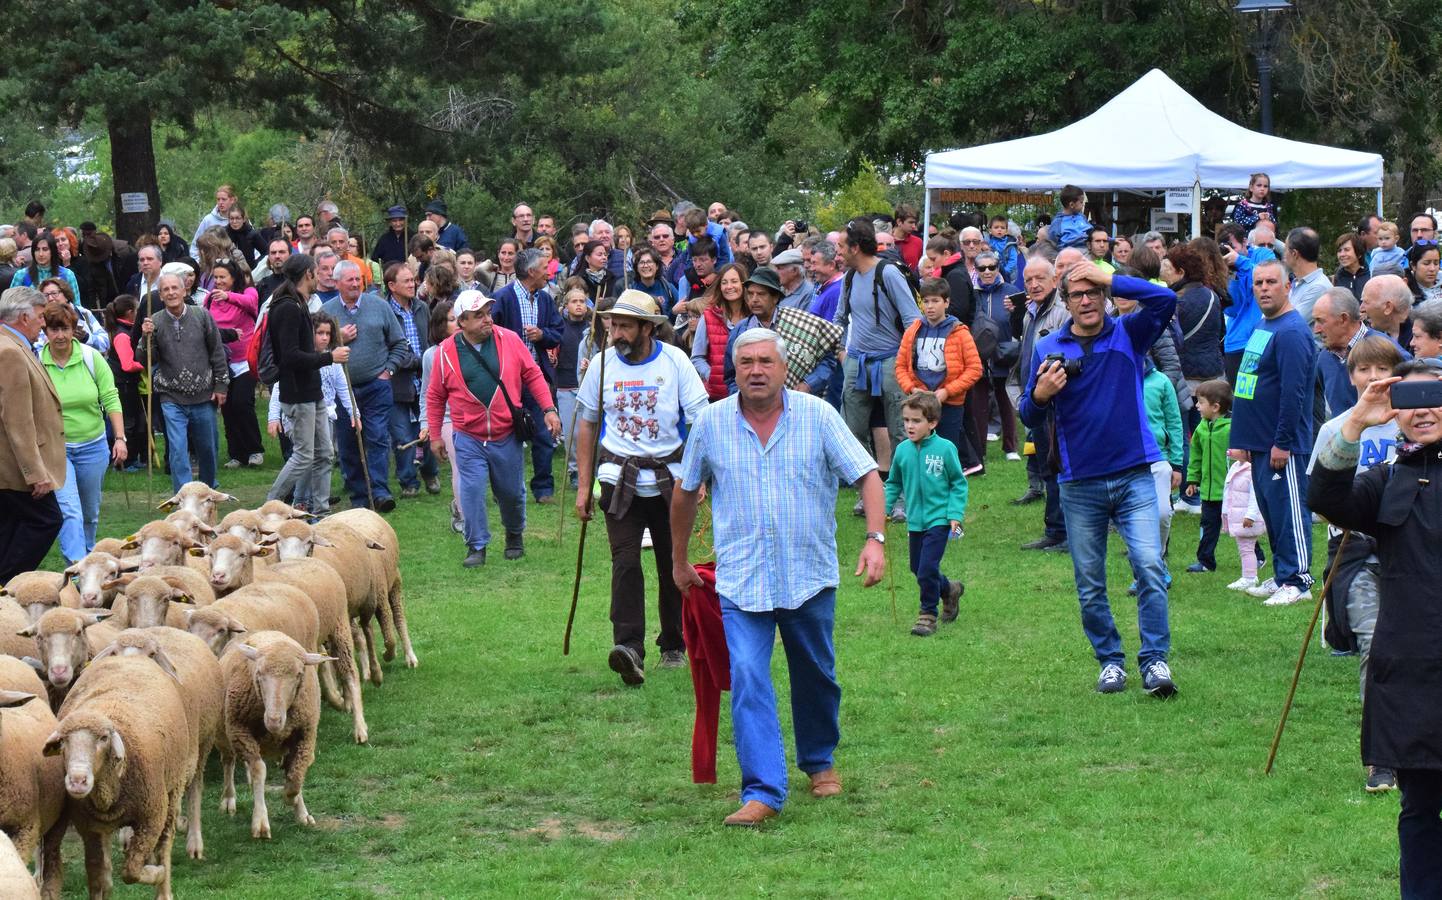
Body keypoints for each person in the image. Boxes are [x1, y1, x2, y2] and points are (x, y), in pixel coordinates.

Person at [671, 328, 886, 827]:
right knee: (747, 676)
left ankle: (818, 760)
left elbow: (867, 475)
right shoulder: (711, 423)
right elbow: (686, 492)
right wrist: (680, 561)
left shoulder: (818, 417)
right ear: (734, 370)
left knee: (816, 675)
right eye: (746, 362)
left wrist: (875, 540)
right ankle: (763, 789)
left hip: (808, 575)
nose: (756, 371)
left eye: (765, 361)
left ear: (784, 367)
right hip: (741, 581)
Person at [1308, 361, 1442, 898]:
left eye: (1435, 397)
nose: (1424, 409)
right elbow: (1325, 498)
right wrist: (1358, 421)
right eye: (1411, 399)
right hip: (1410, 667)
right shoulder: (1388, 479)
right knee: (1418, 806)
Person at [1019, 261, 1180, 697]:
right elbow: (1026, 413)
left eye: (1094, 293)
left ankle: (1155, 661)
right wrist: (1040, 394)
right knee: (1089, 581)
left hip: (1134, 475)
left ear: (1106, 297)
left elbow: (1165, 298)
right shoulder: (1049, 346)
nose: (1086, 300)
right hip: (1079, 481)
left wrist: (1108, 275)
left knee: (1148, 565)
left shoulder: (1130, 333)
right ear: (1066, 301)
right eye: (1077, 294)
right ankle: (1111, 661)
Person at [572, 291, 709, 684]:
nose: (617, 333)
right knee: (626, 563)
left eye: (626, 326)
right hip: (619, 479)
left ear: (648, 328)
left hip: (671, 480)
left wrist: (697, 475)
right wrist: (584, 486)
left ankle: (673, 644)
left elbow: (699, 420)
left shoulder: (675, 361)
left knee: (673, 563)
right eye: (614, 325)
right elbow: (587, 424)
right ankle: (629, 648)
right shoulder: (601, 365)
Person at [1307, 335, 1405, 794]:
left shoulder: (1413, 423)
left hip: (1411, 553)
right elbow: (1321, 501)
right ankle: (1380, 759)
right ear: (1351, 378)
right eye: (1363, 371)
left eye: (1381, 368)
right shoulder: (1337, 430)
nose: (1373, 378)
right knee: (1375, 646)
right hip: (1358, 552)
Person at [429, 291, 559, 567]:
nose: (487, 319)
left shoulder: (509, 340)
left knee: (511, 492)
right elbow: (435, 395)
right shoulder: (445, 352)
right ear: (462, 322)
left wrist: (549, 409)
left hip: (506, 433)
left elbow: (533, 374)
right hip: (468, 436)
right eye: (479, 316)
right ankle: (476, 546)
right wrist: (434, 435)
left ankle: (514, 534)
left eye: (488, 313)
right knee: (471, 490)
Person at [1230, 259, 1319, 606]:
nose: (1264, 288)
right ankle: (1283, 575)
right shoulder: (1265, 325)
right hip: (1260, 442)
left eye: (1271, 282)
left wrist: (1282, 441)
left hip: (1283, 444)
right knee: (1272, 512)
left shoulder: (1293, 331)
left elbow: (1294, 392)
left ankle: (1299, 580)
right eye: (1258, 283)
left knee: (1289, 512)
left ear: (1287, 286)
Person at [836, 217, 923, 487]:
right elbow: (840, 318)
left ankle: (901, 497)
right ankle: (870, 492)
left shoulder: (888, 273)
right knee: (851, 430)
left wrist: (905, 362)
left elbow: (913, 320)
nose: (837, 253)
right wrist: (842, 353)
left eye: (841, 247)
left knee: (900, 430)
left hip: (891, 360)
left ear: (856, 248)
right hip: (857, 362)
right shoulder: (849, 277)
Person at [267, 253, 353, 514]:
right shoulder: (287, 308)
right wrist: (330, 357)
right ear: (307, 274)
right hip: (297, 393)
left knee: (325, 453)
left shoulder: (299, 303)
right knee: (304, 455)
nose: (319, 276)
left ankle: (320, 510)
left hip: (312, 392)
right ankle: (271, 504)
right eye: (316, 271)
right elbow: (289, 357)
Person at [39, 301, 122, 564]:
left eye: (65, 329)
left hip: (93, 445)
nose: (60, 336)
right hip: (56, 448)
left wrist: (119, 438)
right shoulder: (36, 361)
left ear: (74, 329)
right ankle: (75, 567)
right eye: (54, 330)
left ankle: (88, 560)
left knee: (89, 512)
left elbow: (110, 397)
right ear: (46, 332)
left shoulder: (90, 357)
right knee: (69, 510)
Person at [323, 260, 409, 512]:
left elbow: (399, 343)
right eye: (349, 279)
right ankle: (359, 495)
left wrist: (388, 370)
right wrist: (339, 339)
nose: (355, 283)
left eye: (358, 278)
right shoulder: (327, 312)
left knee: (378, 438)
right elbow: (315, 349)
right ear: (336, 283)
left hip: (376, 385)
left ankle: (380, 492)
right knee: (349, 443)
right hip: (343, 390)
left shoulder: (379, 306)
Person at [884, 391, 967, 637]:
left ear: (932, 423)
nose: (910, 426)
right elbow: (893, 483)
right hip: (915, 521)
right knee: (917, 567)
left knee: (927, 567)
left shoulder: (945, 449)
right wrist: (884, 509)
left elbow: (958, 483)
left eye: (916, 421)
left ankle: (927, 615)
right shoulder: (902, 451)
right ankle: (949, 589)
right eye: (906, 420)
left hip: (939, 519)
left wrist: (954, 514)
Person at [137, 272, 229, 491]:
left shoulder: (202, 315)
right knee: (178, 449)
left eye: (174, 288)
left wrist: (221, 385)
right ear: (160, 294)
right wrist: (145, 337)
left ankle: (208, 489)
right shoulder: (155, 321)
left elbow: (217, 351)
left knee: (207, 447)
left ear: (184, 290)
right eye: (165, 289)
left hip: (204, 394)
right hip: (171, 396)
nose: (170, 293)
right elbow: (144, 358)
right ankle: (185, 494)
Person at [0, 287, 65, 581]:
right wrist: (35, 471)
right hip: (13, 468)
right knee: (46, 520)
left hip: (10, 467)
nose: (43, 323)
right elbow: (17, 418)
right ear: (24, 317)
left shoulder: (13, 346)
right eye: (40, 317)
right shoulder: (9, 352)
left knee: (12, 524)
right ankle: (8, 584)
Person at [491, 249, 564, 503]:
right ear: (531, 271)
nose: (549, 272)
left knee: (544, 434)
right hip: (506, 382)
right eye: (545, 267)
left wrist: (542, 335)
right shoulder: (501, 298)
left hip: (536, 379)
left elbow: (558, 332)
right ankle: (506, 489)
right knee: (505, 438)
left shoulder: (545, 300)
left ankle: (543, 490)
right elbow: (488, 336)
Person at [895, 277, 982, 475]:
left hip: (950, 404)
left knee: (944, 451)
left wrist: (947, 391)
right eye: (926, 301)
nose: (930, 306)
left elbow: (975, 368)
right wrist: (911, 389)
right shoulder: (913, 331)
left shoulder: (959, 332)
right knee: (920, 449)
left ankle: (945, 491)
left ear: (946, 302)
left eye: (935, 301)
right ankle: (922, 489)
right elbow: (900, 366)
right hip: (920, 401)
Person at [721, 267, 839, 396]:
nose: (754, 299)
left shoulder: (798, 322)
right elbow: (731, 375)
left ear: (775, 297)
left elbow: (827, 360)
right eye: (750, 293)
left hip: (796, 401)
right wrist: (741, 396)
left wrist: (808, 384)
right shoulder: (740, 331)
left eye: (761, 294)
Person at [1311, 287, 1410, 428]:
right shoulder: (1324, 358)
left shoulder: (1389, 351)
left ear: (1343, 319)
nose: (1316, 329)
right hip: (1343, 445)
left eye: (1321, 321)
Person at [383, 262, 439, 498]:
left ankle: (429, 471)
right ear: (391, 285)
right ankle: (408, 481)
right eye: (406, 281)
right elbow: (387, 351)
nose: (412, 284)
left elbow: (427, 340)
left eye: (413, 279)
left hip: (423, 380)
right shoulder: (385, 311)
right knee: (403, 434)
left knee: (427, 429)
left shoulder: (421, 307)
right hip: (397, 381)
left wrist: (425, 363)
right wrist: (415, 361)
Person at [203, 259, 263, 469]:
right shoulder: (210, 299)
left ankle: (254, 450)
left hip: (245, 360)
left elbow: (251, 304)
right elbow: (205, 324)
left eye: (222, 277)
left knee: (242, 404)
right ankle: (236, 454)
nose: (218, 282)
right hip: (222, 362)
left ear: (233, 278)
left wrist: (228, 296)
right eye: (215, 277)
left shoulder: (248, 293)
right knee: (227, 406)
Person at [1184, 379, 1233, 574]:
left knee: (1237, 527)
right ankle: (1205, 561)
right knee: (1208, 526)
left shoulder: (1232, 428)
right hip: (1208, 492)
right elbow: (1195, 456)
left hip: (1230, 490)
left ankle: (1256, 555)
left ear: (1215, 407)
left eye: (1200, 402)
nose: (1196, 405)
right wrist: (1193, 480)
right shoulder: (1201, 428)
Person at [1218, 223, 1277, 382]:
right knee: (1239, 400)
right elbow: (1232, 309)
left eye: (1233, 246)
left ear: (1245, 242)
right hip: (1236, 342)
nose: (1230, 252)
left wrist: (1241, 262)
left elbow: (1269, 278)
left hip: (1260, 340)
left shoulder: (1262, 254)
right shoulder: (1227, 267)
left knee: (1258, 397)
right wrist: (1230, 275)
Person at [689, 262, 748, 400]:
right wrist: (712, 375)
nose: (729, 287)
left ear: (743, 284)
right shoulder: (709, 316)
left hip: (749, 393)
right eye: (724, 282)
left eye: (734, 281)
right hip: (717, 396)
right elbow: (697, 357)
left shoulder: (753, 316)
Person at [553, 285, 593, 486]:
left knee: (590, 431)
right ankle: (575, 470)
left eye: (582, 301)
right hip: (566, 385)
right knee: (572, 433)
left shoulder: (594, 329)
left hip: (589, 386)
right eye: (574, 301)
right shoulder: (559, 327)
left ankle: (591, 470)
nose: (579, 305)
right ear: (566, 305)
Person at [1283, 227, 1332, 323]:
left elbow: (1290, 323)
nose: (1283, 254)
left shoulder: (1319, 287)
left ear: (1294, 254)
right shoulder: (1296, 282)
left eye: (1285, 249)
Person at [1361, 274, 1415, 348]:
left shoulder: (1420, 339)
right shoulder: (1373, 336)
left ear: (1388, 307)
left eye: (1366, 302)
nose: (1361, 309)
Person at [190, 185, 235, 258]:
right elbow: (195, 246)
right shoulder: (208, 220)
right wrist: (199, 263)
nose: (220, 202)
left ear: (232, 200)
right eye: (218, 199)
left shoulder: (239, 219)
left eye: (224, 199)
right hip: (212, 264)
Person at [1048, 185, 1091, 250]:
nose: (1083, 204)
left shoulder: (1082, 217)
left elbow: (1091, 233)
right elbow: (1052, 244)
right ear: (1072, 205)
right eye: (1081, 202)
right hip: (1067, 255)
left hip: (1087, 252)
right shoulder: (1058, 222)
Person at [1334, 232, 1371, 301]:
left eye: (1346, 250)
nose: (1342, 254)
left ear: (1359, 253)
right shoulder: (1335, 280)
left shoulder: (1372, 276)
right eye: (1339, 251)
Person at [1405, 239, 1442, 307]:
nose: (1432, 269)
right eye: (1426, 263)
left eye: (1436, 263)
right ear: (1413, 265)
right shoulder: (1405, 290)